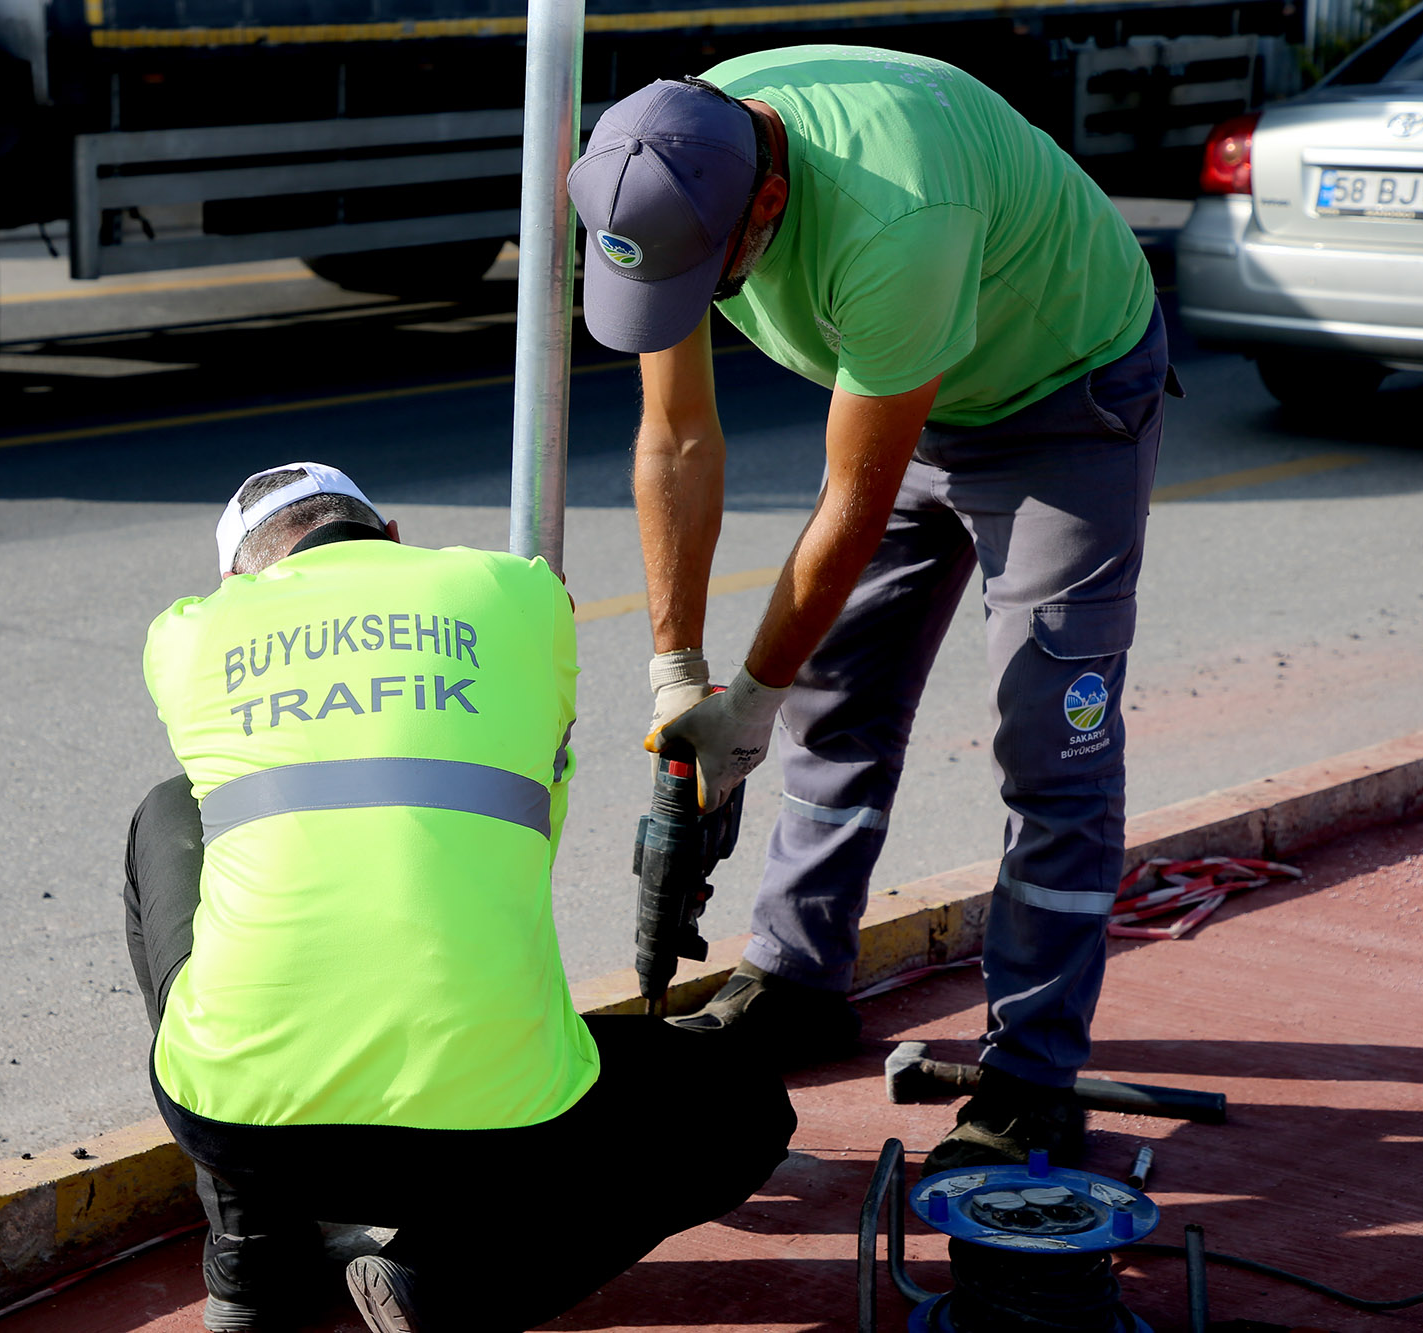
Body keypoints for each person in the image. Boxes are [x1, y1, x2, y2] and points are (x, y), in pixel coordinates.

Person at [566, 46, 1176, 1173]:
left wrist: (745, 700)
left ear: (768, 198)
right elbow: (675, 438)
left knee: (1053, 738)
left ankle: (1030, 1077)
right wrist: (677, 671)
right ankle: (795, 979)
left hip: (1059, 397)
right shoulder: (665, 160)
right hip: (900, 382)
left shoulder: (894, 215)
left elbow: (852, 496)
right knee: (835, 701)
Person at [126, 462, 794, 1333]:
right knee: (739, 1101)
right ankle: (444, 1281)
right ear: (393, 535)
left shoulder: (186, 635)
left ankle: (256, 1257)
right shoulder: (518, 592)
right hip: (496, 1132)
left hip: (237, 1120)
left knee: (173, 808)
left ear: (236, 582)